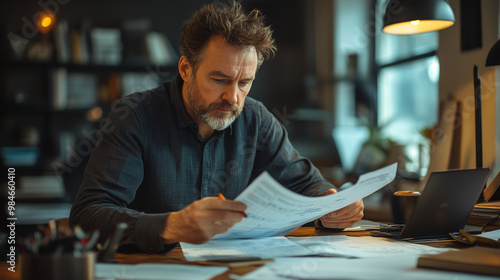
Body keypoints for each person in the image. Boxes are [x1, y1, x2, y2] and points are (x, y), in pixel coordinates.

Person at [69, 1, 364, 254]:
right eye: (219, 80)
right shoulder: (135, 117)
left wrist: (332, 203)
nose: (233, 97)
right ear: (186, 69)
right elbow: (89, 214)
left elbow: (306, 184)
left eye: (244, 82)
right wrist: (171, 226)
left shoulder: (255, 119)